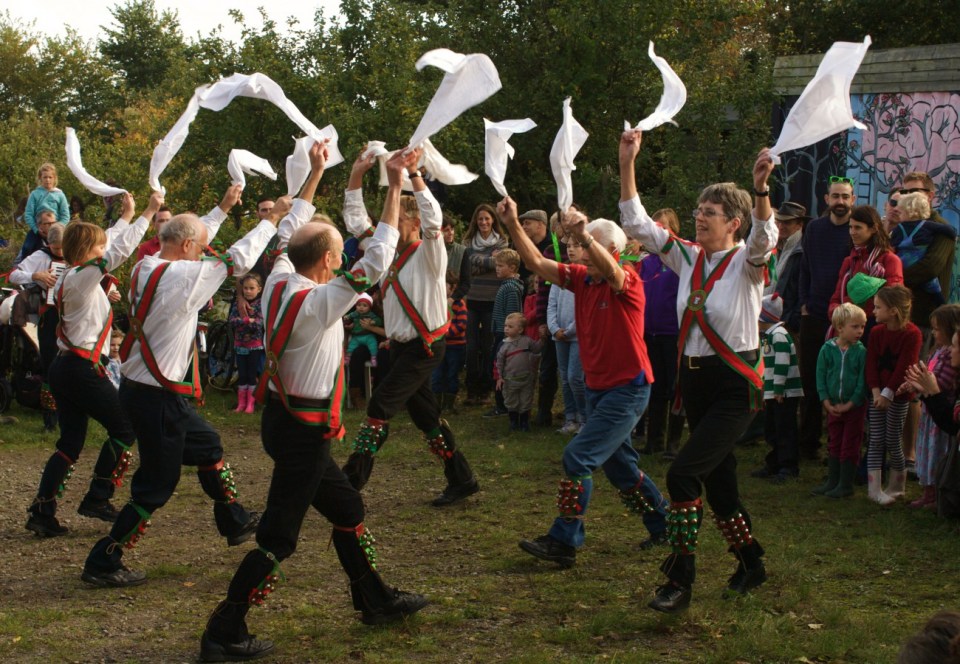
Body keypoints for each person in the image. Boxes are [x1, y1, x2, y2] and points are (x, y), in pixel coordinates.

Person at [198, 144, 427, 662]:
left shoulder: (281, 276)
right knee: (279, 537)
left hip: (288, 422)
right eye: (337, 251)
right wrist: (392, 185)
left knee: (348, 507)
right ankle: (224, 630)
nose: (343, 256)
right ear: (328, 259)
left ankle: (375, 598)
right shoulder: (319, 302)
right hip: (301, 431)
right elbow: (379, 255)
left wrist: (321, 172)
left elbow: (290, 226)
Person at [81, 183, 271, 587]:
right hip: (156, 397)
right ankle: (103, 561)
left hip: (142, 389)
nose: (204, 253)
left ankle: (233, 519)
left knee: (209, 446)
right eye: (200, 248)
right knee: (156, 486)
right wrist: (270, 221)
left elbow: (194, 234)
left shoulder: (147, 265)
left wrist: (221, 207)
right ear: (186, 247)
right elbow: (237, 260)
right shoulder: (184, 278)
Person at [619, 130, 776, 613]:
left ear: (733, 222)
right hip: (696, 384)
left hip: (734, 387)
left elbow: (766, 237)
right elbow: (639, 224)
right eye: (699, 210)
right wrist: (628, 162)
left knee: (684, 474)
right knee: (720, 482)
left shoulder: (747, 263)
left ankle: (680, 579)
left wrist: (762, 191)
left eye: (709, 212)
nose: (699, 217)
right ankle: (751, 562)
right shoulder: (686, 256)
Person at [504, 199, 668, 568]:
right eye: (579, 243)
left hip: (628, 388)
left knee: (577, 457)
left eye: (586, 245)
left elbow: (613, 272)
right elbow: (536, 263)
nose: (578, 251)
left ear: (609, 250)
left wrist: (583, 234)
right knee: (620, 467)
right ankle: (664, 523)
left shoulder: (628, 279)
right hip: (599, 389)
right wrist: (513, 222)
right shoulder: (582, 278)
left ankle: (564, 542)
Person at [341, 151, 480, 507]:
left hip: (425, 348)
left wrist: (414, 174)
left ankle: (349, 483)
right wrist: (357, 174)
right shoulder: (386, 250)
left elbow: (434, 217)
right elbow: (357, 222)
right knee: (426, 418)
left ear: (415, 222)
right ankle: (461, 479)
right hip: (402, 348)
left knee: (379, 406)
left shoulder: (430, 252)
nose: (387, 224)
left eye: (399, 218)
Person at [24, 193, 158, 538]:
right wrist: (146, 213)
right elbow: (117, 250)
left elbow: (112, 243)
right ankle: (98, 497)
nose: (103, 252)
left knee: (70, 442)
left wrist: (131, 215)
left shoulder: (77, 276)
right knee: (124, 427)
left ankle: (43, 512)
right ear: (87, 251)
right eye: (97, 248)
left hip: (67, 368)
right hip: (80, 369)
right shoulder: (82, 277)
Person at [798, 175, 857, 460]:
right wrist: (804, 303)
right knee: (811, 379)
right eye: (836, 197)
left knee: (845, 380)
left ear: (853, 200)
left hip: (847, 317)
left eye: (845, 197)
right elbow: (804, 267)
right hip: (816, 312)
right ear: (827, 200)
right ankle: (808, 444)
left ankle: (842, 449)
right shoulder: (815, 229)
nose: (840, 202)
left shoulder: (857, 231)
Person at [865, 285, 922, 506]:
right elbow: (871, 363)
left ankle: (897, 486)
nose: (874, 311)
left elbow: (904, 365)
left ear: (893, 311)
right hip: (877, 394)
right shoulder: (877, 332)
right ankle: (874, 488)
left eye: (878, 307)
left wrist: (888, 393)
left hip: (898, 396)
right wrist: (876, 391)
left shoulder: (912, 334)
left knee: (892, 439)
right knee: (876, 440)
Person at [9, 219, 66, 431]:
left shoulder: (76, 254)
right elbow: (13, 275)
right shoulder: (41, 256)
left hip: (73, 315)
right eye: (57, 247)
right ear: (49, 244)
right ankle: (50, 418)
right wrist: (36, 275)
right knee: (50, 364)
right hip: (50, 315)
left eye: (64, 247)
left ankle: (71, 413)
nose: (61, 251)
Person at [638, 208, 685, 458]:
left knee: (675, 387)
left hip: (674, 333)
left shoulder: (680, 260)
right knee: (654, 388)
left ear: (672, 231)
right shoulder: (647, 262)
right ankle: (653, 440)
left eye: (662, 226)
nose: (656, 230)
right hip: (650, 333)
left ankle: (673, 444)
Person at [811, 303, 869, 498]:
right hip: (834, 406)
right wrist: (826, 401)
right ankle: (832, 481)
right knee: (834, 441)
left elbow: (863, 381)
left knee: (850, 443)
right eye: (855, 326)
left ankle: (846, 485)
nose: (860, 331)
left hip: (854, 408)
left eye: (862, 326)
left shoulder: (861, 352)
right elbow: (820, 376)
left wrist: (852, 403)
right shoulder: (827, 349)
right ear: (840, 327)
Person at [828, 205, 903, 344]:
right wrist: (838, 313)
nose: (852, 232)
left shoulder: (889, 260)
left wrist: (852, 306)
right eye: (850, 227)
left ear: (874, 228)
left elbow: (894, 300)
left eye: (858, 227)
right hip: (846, 330)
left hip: (876, 331)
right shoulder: (850, 261)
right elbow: (836, 297)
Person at [910, 304, 960, 508]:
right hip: (931, 412)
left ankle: (937, 493)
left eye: (938, 328)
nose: (933, 333)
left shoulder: (949, 356)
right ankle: (929, 491)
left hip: (942, 414)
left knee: (937, 453)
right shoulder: (937, 351)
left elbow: (939, 382)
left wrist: (928, 387)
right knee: (926, 452)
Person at [751, 293, 803, 483]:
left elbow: (782, 363)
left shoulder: (779, 335)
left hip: (785, 393)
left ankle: (788, 466)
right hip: (774, 392)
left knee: (784, 428)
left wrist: (779, 389)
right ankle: (774, 462)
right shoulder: (767, 336)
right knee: (772, 427)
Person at [462, 203, 509, 406]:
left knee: (488, 345)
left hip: (492, 300)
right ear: (475, 221)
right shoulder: (467, 241)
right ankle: (471, 389)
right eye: (480, 219)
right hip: (472, 299)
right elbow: (467, 266)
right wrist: (488, 261)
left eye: (487, 218)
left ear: (493, 221)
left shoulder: (503, 242)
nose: (483, 222)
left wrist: (476, 263)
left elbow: (500, 265)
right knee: (471, 347)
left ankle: (486, 389)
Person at [548, 239, 585, 435]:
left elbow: (585, 309)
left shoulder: (586, 276)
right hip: (559, 335)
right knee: (564, 379)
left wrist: (569, 331)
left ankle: (584, 418)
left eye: (576, 245)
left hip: (577, 336)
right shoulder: (562, 273)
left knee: (575, 378)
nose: (571, 249)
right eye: (569, 246)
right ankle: (570, 419)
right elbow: (551, 303)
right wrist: (554, 328)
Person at [486, 248, 525, 417]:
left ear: (513, 267)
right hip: (500, 332)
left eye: (501, 265)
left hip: (505, 336)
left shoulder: (511, 288)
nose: (497, 268)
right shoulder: (505, 286)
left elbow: (513, 314)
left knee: (500, 368)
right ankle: (502, 403)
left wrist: (508, 335)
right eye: (497, 265)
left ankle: (503, 405)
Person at [496, 312, 544, 432]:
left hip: (526, 378)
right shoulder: (503, 345)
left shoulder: (527, 341)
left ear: (520, 329)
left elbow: (537, 349)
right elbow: (499, 363)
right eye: (506, 326)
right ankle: (513, 422)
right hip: (509, 380)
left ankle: (524, 422)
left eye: (510, 326)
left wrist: (542, 339)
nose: (506, 328)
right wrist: (499, 377)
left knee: (525, 400)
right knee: (511, 401)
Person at [229, 273, 266, 415]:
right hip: (240, 345)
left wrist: (245, 321)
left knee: (252, 374)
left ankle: (250, 404)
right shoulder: (238, 304)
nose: (248, 291)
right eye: (245, 288)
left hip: (255, 346)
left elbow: (259, 323)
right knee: (242, 374)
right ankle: (241, 403)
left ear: (259, 289)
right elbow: (232, 321)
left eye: (252, 288)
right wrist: (246, 321)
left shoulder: (260, 305)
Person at [18, 162, 70, 264]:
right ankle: (22, 270)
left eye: (50, 177)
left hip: (55, 229)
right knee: (27, 247)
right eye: (45, 177)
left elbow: (65, 215)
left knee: (65, 249)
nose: (47, 180)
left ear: (54, 178)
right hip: (38, 229)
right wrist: (36, 229)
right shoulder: (35, 194)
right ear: (40, 178)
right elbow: (28, 214)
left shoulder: (59, 195)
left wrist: (57, 227)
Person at [432, 270, 468, 414]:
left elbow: (462, 324)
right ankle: (436, 406)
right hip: (439, 346)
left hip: (456, 347)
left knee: (452, 375)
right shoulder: (435, 303)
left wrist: (445, 333)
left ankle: (449, 405)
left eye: (444, 285)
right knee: (437, 375)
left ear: (453, 287)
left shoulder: (459, 304)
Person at [344, 293, 383, 367]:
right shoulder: (355, 313)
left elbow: (378, 320)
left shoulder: (370, 314)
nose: (361, 308)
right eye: (359, 305)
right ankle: (348, 358)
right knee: (351, 347)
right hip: (357, 336)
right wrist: (347, 318)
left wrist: (373, 322)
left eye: (365, 306)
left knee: (373, 345)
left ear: (369, 307)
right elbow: (349, 316)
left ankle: (374, 358)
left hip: (368, 335)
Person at [441, 214, 471, 301]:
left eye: (452, 229)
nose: (451, 233)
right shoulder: (429, 250)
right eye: (446, 230)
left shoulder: (462, 251)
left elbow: (466, 283)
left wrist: (452, 299)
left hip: (454, 301)